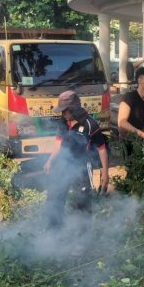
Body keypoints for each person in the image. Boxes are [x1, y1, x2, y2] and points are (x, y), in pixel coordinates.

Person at [43, 90, 109, 227]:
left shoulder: (90, 124)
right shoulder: (63, 121)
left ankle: (83, 236)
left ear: (74, 109)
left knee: (82, 202)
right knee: (55, 197)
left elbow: (101, 149)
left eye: (65, 111)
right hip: (63, 165)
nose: (63, 114)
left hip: (82, 167)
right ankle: (54, 231)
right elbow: (58, 142)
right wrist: (49, 161)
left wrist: (105, 173)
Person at [118, 66, 144, 144]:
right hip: (128, 141)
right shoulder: (129, 97)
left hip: (142, 140)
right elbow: (122, 122)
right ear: (140, 80)